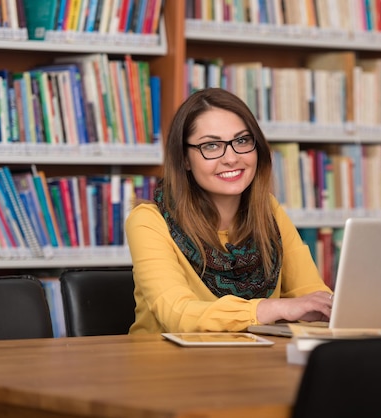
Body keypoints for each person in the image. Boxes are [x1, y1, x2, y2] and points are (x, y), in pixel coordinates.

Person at [126, 87, 333, 334]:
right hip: (169, 366)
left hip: (253, 363)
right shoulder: (148, 221)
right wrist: (276, 309)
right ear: (184, 159)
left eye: (242, 141)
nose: (232, 158)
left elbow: (312, 295)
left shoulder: (269, 212)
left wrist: (327, 309)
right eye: (211, 146)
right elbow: (177, 314)